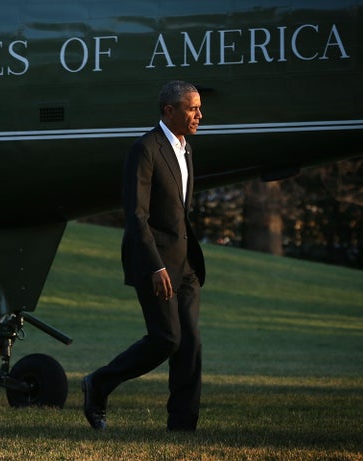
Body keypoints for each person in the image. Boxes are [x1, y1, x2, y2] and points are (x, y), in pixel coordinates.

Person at [82, 80, 206, 431]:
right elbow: (136, 215)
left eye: (198, 108)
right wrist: (156, 265)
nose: (199, 114)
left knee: (190, 344)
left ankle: (182, 427)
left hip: (186, 267)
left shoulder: (186, 149)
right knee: (167, 338)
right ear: (169, 111)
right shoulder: (145, 149)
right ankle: (99, 384)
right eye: (191, 108)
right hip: (156, 264)